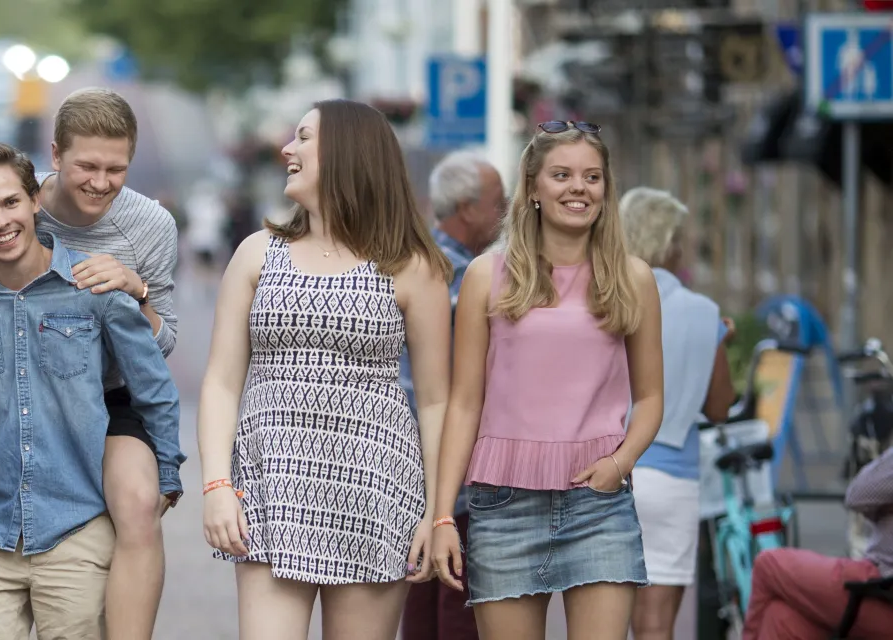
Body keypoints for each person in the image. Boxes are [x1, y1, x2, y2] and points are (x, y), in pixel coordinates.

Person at [0, 87, 185, 640]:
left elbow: (161, 344)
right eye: (87, 166)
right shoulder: (7, 195)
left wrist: (134, 286)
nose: (100, 181)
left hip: (101, 389)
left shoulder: (148, 226)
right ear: (55, 157)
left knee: (138, 500)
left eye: (115, 168)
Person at [199, 100, 454, 638]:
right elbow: (222, 382)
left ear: (347, 152)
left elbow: (435, 400)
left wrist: (438, 514)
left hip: (375, 492)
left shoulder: (411, 265)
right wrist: (217, 485)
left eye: (304, 137)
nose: (287, 149)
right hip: (273, 485)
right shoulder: (256, 254)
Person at [429, 121, 665, 639]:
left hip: (599, 503)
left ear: (606, 190)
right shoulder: (486, 277)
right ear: (533, 188)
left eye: (592, 177)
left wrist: (619, 463)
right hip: (502, 503)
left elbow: (649, 399)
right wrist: (442, 514)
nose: (578, 188)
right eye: (561, 175)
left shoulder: (633, 278)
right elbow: (464, 403)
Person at [617, 186, 738, 640]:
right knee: (656, 626)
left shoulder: (604, 298)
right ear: (666, 241)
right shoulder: (701, 311)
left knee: (601, 620)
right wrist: (716, 344)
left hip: (608, 471)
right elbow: (719, 408)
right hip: (671, 479)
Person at [400, 149, 506, 640]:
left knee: (420, 587)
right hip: (454, 453)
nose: (504, 213)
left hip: (406, 447)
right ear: (467, 208)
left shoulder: (411, 259)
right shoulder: (466, 277)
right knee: (457, 593)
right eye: (497, 202)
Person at [744, 445, 893, 639]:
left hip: (877, 588)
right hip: (880, 599)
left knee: (768, 564)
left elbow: (857, 496)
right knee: (781, 619)